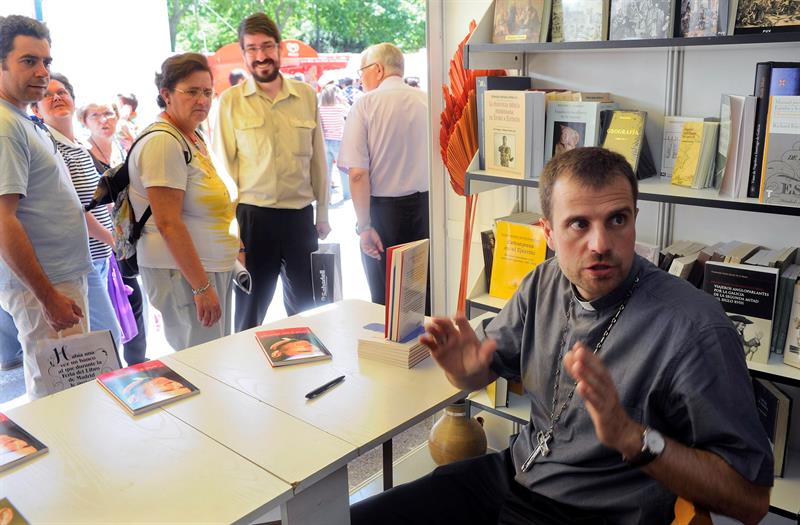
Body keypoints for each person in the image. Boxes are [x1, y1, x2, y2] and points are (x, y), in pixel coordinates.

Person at [351, 148, 772, 525]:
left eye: (617, 220)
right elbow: (486, 368)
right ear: (547, 233)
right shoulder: (544, 282)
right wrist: (466, 375)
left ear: (634, 219)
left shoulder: (696, 329)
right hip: (515, 475)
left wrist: (633, 438)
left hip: (597, 512)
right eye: (578, 224)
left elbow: (750, 500)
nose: (600, 244)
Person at [214, 12, 329, 332]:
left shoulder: (305, 95)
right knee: (249, 314)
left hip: (299, 219)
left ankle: (311, 374)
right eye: (252, 49)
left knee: (310, 311)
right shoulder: (230, 103)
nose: (261, 56)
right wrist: (232, 235)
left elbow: (318, 159)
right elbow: (224, 172)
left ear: (279, 48)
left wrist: (323, 213)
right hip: (253, 221)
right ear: (243, 53)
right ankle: (246, 380)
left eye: (267, 46)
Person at [0, 15, 92, 399]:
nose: (42, 71)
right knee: (61, 398)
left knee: (73, 394)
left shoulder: (24, 118)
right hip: (45, 286)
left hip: (58, 280)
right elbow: (3, 220)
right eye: (28, 61)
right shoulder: (5, 126)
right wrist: (47, 297)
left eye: (46, 61)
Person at [128, 53, 239, 351]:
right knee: (203, 366)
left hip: (205, 271)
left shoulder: (192, 135)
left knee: (215, 360)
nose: (202, 100)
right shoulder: (163, 142)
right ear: (166, 95)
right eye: (191, 91)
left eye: (207, 92)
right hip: (185, 277)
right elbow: (168, 223)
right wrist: (201, 287)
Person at [32, 74, 122, 351]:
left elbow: (93, 199)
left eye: (63, 92)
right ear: (36, 109)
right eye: (48, 95)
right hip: (82, 260)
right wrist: (112, 239)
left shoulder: (79, 146)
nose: (57, 97)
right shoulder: (50, 146)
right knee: (106, 336)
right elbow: (75, 209)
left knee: (102, 337)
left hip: (98, 256)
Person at [338, 43, 430, 312]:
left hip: (382, 215)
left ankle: (390, 354)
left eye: (362, 71)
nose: (360, 78)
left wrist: (364, 226)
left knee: (386, 304)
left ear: (378, 69)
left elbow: (357, 175)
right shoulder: (428, 100)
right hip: (426, 210)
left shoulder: (366, 104)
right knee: (421, 301)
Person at [79, 99, 148, 366]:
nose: (103, 119)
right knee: (114, 310)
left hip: (125, 241)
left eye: (108, 113)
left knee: (133, 303)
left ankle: (138, 363)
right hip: (103, 247)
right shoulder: (85, 153)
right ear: (84, 121)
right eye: (94, 115)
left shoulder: (120, 148)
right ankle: (123, 366)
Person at [318, 83, 350, 203]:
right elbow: (352, 113)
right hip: (339, 142)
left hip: (324, 142)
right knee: (343, 170)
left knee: (326, 172)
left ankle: (327, 198)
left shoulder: (319, 109)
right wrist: (343, 101)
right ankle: (347, 195)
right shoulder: (340, 108)